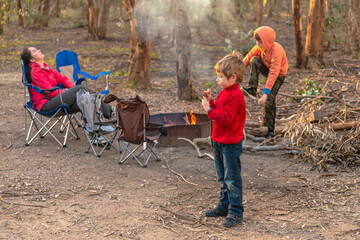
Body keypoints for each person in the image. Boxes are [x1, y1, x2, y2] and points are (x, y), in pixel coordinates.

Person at [201, 52, 246, 228]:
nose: (217, 79)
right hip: (219, 141)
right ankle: (223, 206)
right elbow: (220, 110)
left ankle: (236, 212)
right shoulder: (224, 92)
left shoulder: (236, 95)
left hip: (231, 144)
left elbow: (226, 119)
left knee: (232, 178)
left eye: (221, 77)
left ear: (233, 77)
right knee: (222, 176)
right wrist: (211, 102)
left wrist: (208, 111)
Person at [20, 47, 112, 116]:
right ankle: (110, 111)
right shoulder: (36, 72)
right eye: (34, 51)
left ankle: (96, 131)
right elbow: (49, 92)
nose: (39, 50)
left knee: (86, 101)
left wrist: (71, 87)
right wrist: (69, 91)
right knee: (80, 88)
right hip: (45, 105)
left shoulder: (45, 66)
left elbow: (61, 78)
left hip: (55, 99)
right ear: (32, 60)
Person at [242, 26, 288, 139]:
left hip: (278, 75)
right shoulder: (260, 48)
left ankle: (270, 130)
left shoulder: (276, 50)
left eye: (260, 42)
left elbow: (274, 73)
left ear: (267, 41)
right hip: (267, 68)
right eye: (257, 42)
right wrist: (236, 70)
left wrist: (265, 93)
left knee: (269, 100)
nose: (258, 45)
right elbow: (248, 57)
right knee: (254, 60)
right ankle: (252, 89)